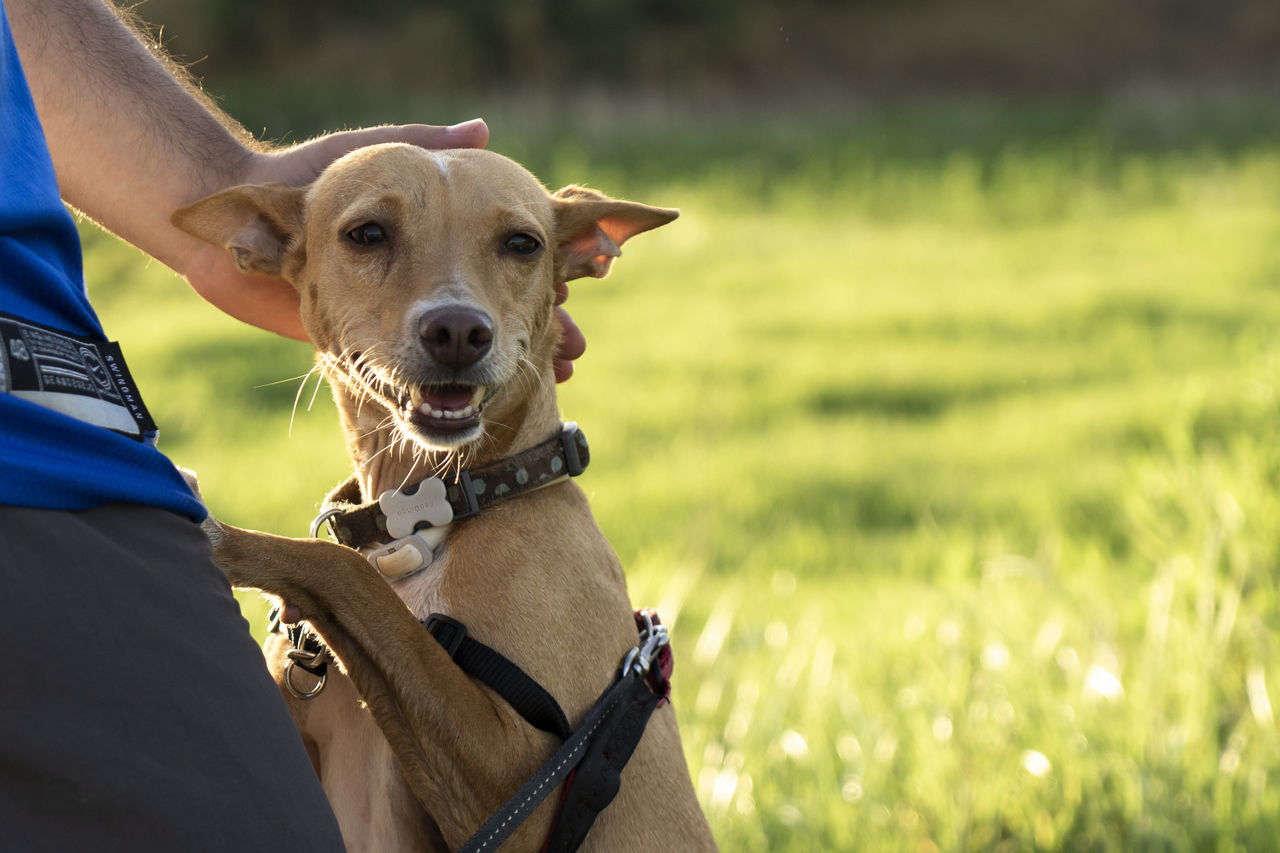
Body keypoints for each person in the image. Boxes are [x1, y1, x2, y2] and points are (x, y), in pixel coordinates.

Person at [0, 0, 584, 849]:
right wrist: (316, 578)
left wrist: (218, 173)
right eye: (374, 236)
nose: (455, 311)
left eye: (519, 249)